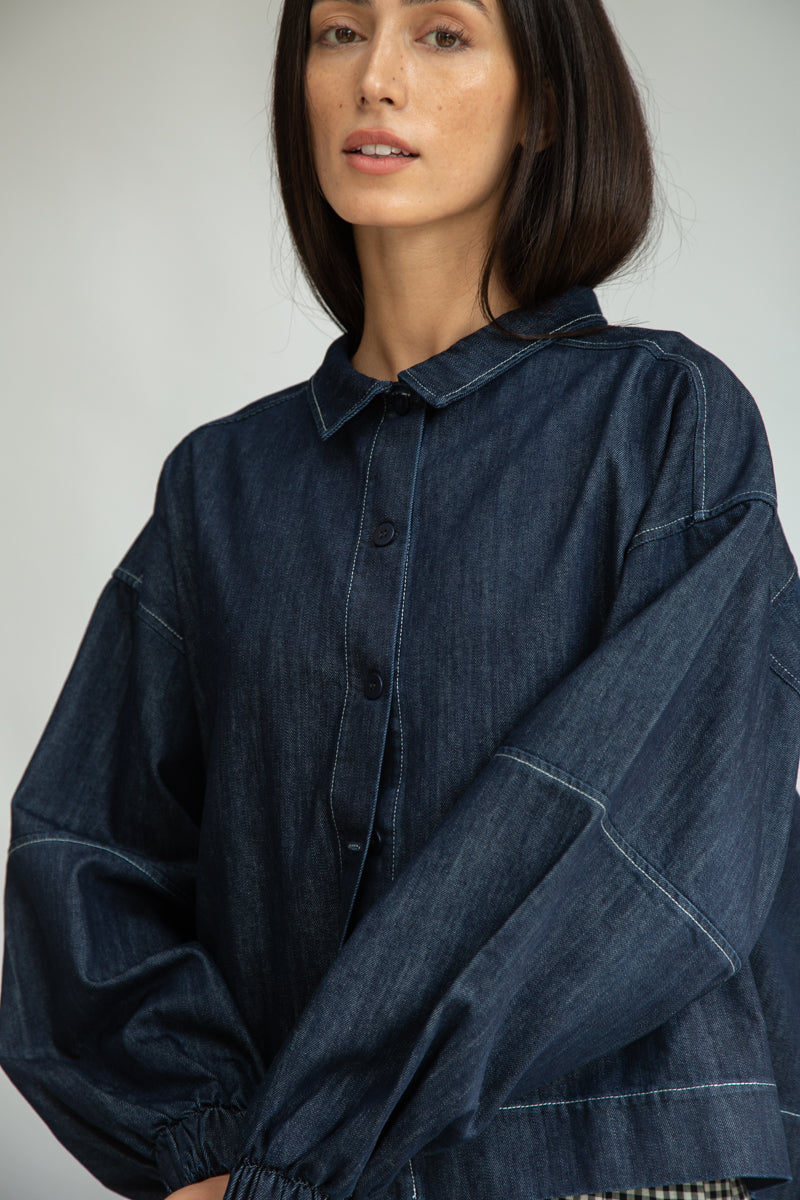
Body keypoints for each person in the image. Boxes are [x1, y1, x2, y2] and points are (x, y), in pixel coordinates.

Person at [1, 1, 799, 1199]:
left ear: (542, 106)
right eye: (338, 32)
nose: (374, 77)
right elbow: (86, 851)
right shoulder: (222, 485)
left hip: (614, 1167)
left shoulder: (663, 421)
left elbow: (645, 836)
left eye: (440, 33)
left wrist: (303, 1147)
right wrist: (201, 1148)